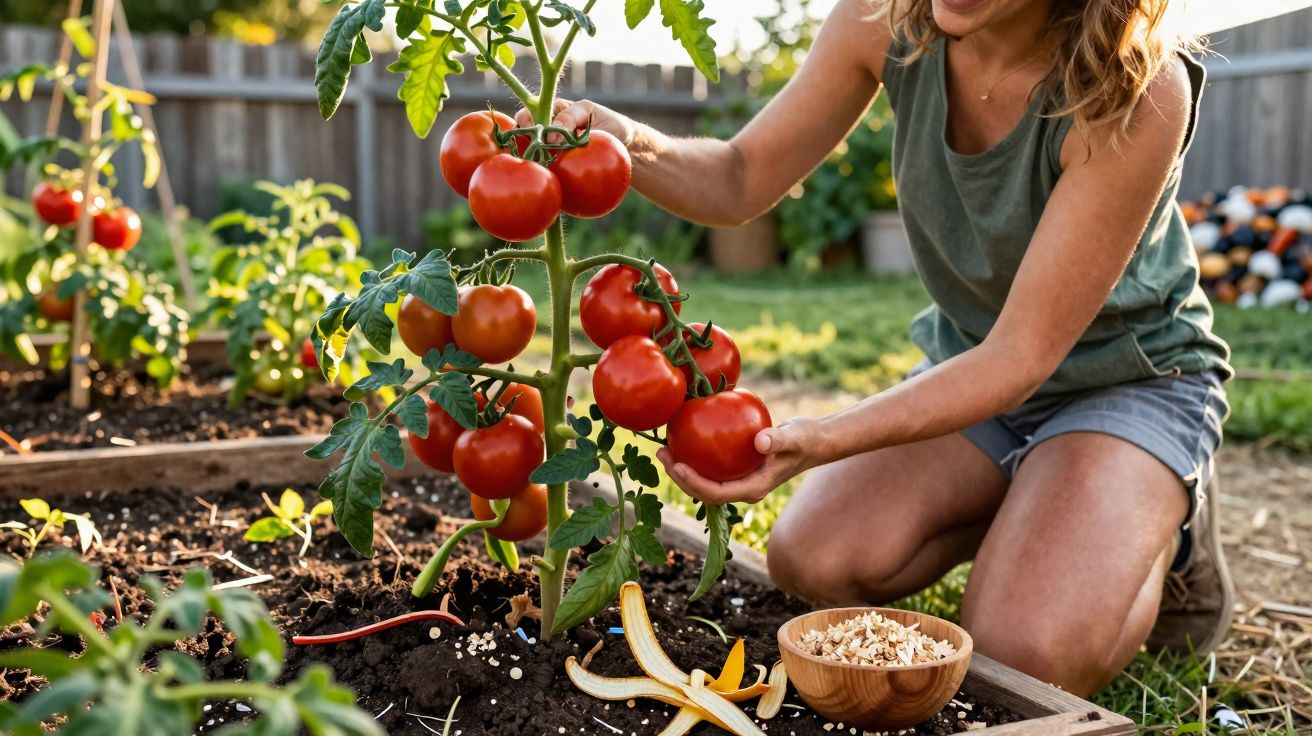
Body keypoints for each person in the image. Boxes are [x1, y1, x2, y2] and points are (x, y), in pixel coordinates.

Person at [522, 0, 1233, 695]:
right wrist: (623, 141)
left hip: (1131, 379)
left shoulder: (1138, 87)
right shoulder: (885, 17)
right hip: (973, 364)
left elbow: (1023, 356)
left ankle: (1168, 529)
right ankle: (1043, 498)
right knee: (813, 559)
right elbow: (740, 177)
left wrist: (825, 437)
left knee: (1026, 652)